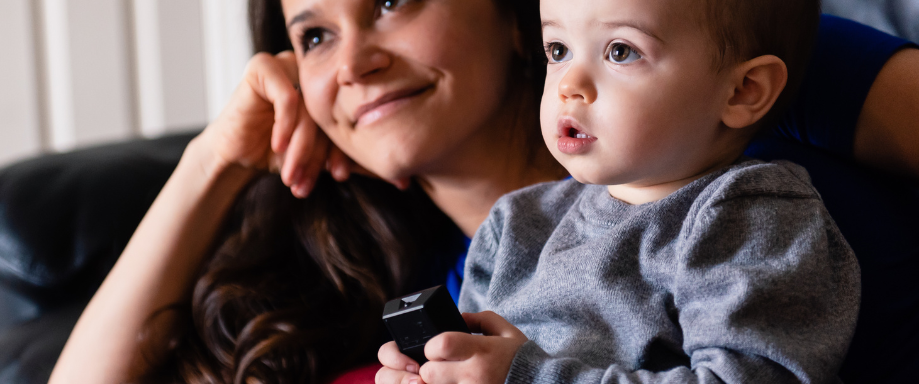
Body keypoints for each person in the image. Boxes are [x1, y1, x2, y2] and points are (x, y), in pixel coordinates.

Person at [47, 0, 919, 382]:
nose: (352, 63)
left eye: (391, 0)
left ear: (508, 13)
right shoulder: (481, 270)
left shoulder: (711, 52)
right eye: (312, 36)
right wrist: (218, 157)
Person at [376, 0, 860, 382]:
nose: (570, 85)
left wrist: (522, 376)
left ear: (743, 91)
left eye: (620, 51)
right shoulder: (515, 223)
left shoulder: (748, 212)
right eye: (558, 50)